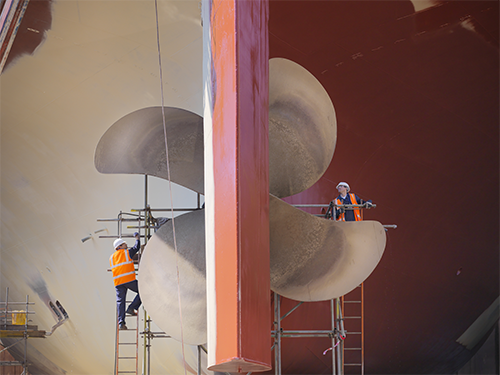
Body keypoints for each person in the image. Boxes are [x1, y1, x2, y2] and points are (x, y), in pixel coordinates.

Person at [110, 233, 142, 330]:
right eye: (124, 244)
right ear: (119, 247)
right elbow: (136, 247)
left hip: (118, 282)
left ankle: (121, 323)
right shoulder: (126, 252)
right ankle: (132, 307)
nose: (126, 245)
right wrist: (137, 238)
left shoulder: (111, 257)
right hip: (128, 279)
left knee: (120, 302)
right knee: (143, 291)